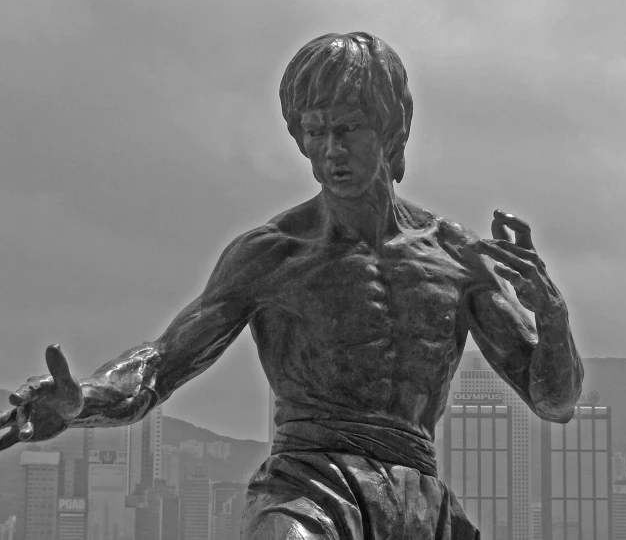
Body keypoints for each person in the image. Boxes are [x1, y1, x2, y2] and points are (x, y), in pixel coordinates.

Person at [0, 32, 583, 539]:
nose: (331, 151)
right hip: (308, 488)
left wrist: (550, 317)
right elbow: (159, 366)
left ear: (390, 131)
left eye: (349, 129)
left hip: (419, 503)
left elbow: (552, 401)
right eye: (314, 131)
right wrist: (82, 401)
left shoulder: (454, 256)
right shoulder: (272, 255)